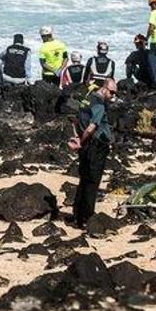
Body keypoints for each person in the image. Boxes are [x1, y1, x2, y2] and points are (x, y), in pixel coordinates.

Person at [68, 78, 116, 228]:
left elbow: (75, 120)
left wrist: (77, 137)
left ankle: (77, 215)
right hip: (95, 145)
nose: (113, 96)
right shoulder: (99, 105)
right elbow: (91, 127)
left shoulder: (87, 98)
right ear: (104, 88)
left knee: (84, 178)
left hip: (87, 144)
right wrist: (81, 141)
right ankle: (87, 218)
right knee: (92, 181)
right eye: (112, 92)